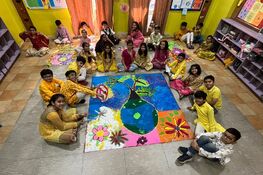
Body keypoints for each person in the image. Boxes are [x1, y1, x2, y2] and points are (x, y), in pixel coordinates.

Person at [176, 128, 241, 165]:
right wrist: (195, 140)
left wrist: (198, 148)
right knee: (204, 138)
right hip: (208, 147)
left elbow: (212, 155)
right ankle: (189, 153)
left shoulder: (228, 150)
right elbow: (204, 134)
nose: (225, 137)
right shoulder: (220, 134)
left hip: (214, 157)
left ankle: (189, 152)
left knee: (211, 146)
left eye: (229, 138)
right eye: (225, 134)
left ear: (234, 142)